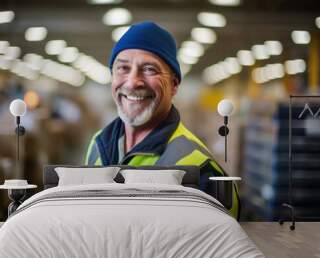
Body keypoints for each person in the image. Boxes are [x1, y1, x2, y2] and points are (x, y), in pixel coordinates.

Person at [84, 21, 240, 219]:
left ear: (174, 85)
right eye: (123, 68)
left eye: (149, 69)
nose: (133, 82)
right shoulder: (97, 145)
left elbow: (222, 245)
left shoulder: (201, 169)